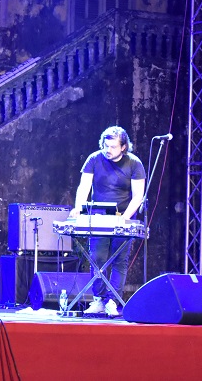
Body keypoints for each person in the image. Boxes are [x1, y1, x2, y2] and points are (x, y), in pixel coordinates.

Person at [69, 125, 146, 317]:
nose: (108, 150)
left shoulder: (134, 163)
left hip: (123, 217)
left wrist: (125, 219)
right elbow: (84, 187)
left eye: (113, 146)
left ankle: (112, 301)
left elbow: (138, 196)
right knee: (97, 258)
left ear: (123, 147)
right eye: (106, 146)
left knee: (120, 260)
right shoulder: (94, 159)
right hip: (98, 217)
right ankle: (98, 300)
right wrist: (78, 207)